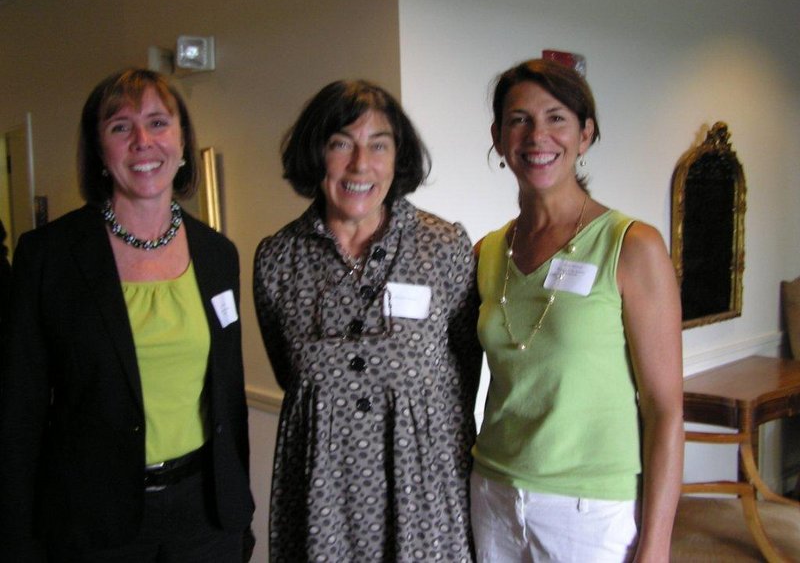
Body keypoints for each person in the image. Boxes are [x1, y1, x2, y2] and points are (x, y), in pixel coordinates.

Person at [0, 68, 254, 562]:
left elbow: (227, 396)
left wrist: (237, 516)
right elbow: (19, 412)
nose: (143, 141)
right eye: (120, 127)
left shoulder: (218, 253)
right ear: (99, 150)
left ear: (182, 142)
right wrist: (15, 540)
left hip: (203, 516)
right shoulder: (50, 256)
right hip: (92, 522)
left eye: (159, 123)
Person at [253, 80, 482, 562]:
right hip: (322, 496)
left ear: (398, 158)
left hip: (423, 489)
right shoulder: (277, 260)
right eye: (341, 144)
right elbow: (290, 374)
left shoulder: (443, 248)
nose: (361, 165)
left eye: (378, 145)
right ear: (316, 154)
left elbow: (465, 364)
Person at [470, 58, 683, 562]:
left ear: (585, 135)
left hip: (591, 510)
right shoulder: (486, 252)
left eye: (556, 117)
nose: (537, 135)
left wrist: (655, 547)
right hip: (493, 496)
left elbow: (665, 410)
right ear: (499, 138)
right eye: (519, 119)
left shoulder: (631, 245)